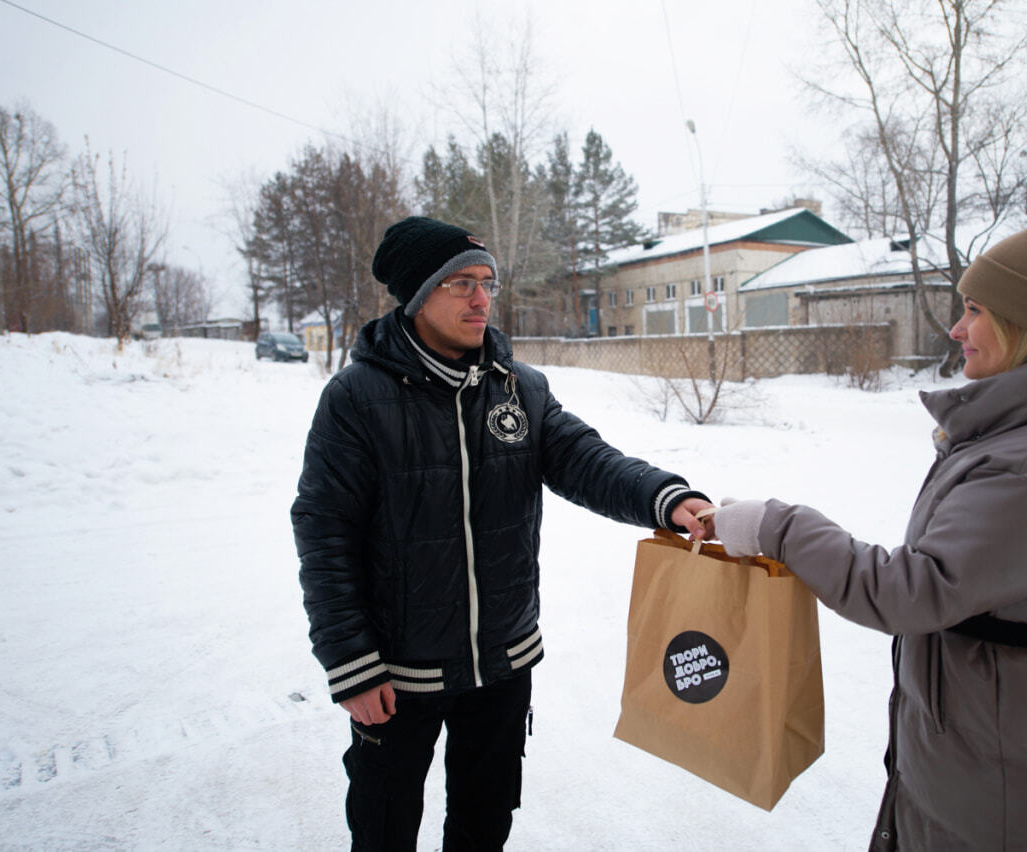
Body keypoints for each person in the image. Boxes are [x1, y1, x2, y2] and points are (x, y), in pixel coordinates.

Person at [711, 193, 1027, 851]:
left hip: (1006, 768)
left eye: (975, 310)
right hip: (997, 732)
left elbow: (913, 591)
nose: (956, 329)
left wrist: (778, 526)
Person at [291, 216, 712, 851]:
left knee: (485, 823)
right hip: (397, 671)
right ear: (417, 294)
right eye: (460, 283)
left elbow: (586, 460)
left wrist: (667, 499)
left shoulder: (519, 389)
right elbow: (324, 531)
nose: (481, 298)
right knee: (383, 825)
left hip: (502, 661)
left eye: (487, 282)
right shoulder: (357, 399)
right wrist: (350, 662)